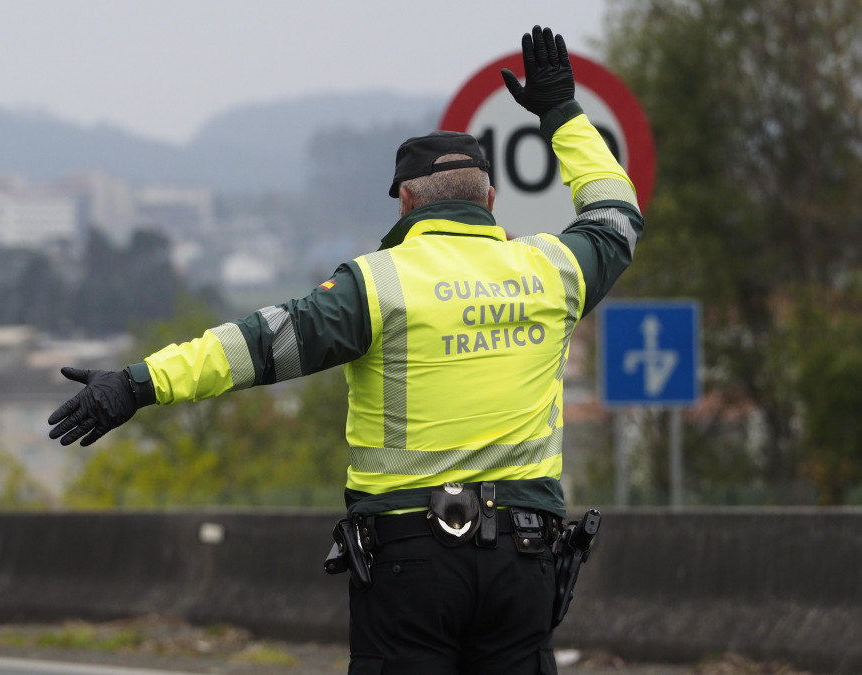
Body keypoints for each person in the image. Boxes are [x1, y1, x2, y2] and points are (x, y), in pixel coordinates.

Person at [48, 25, 643, 675]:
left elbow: (252, 346)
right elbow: (615, 214)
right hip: (523, 560)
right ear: (491, 199)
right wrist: (562, 112)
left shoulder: (377, 284)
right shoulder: (554, 270)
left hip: (411, 559)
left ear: (408, 200)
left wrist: (137, 383)